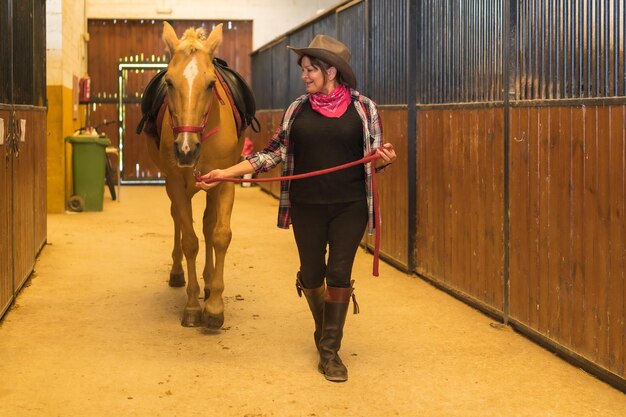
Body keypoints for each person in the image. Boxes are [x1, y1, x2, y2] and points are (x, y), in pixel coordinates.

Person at [196, 34, 396, 382]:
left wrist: (382, 160)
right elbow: (270, 154)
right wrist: (226, 173)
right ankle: (324, 332)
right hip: (307, 206)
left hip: (350, 207)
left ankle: (330, 351)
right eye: (303, 69)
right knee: (312, 275)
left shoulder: (365, 109)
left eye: (311, 70)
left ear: (331, 71)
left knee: (338, 274)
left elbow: (373, 158)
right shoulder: (296, 110)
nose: (304, 76)